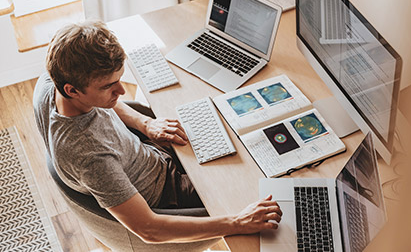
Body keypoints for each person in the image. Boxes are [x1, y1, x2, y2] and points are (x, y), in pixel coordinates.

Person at [33, 20, 282, 243]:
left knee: (232, 131)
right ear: (72, 90)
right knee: (260, 186)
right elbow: (149, 229)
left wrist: (145, 124)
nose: (121, 92)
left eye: (120, 79)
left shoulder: (51, 82)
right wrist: (237, 223)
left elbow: (109, 102)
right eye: (109, 86)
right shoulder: (89, 157)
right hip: (167, 195)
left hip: (149, 155)